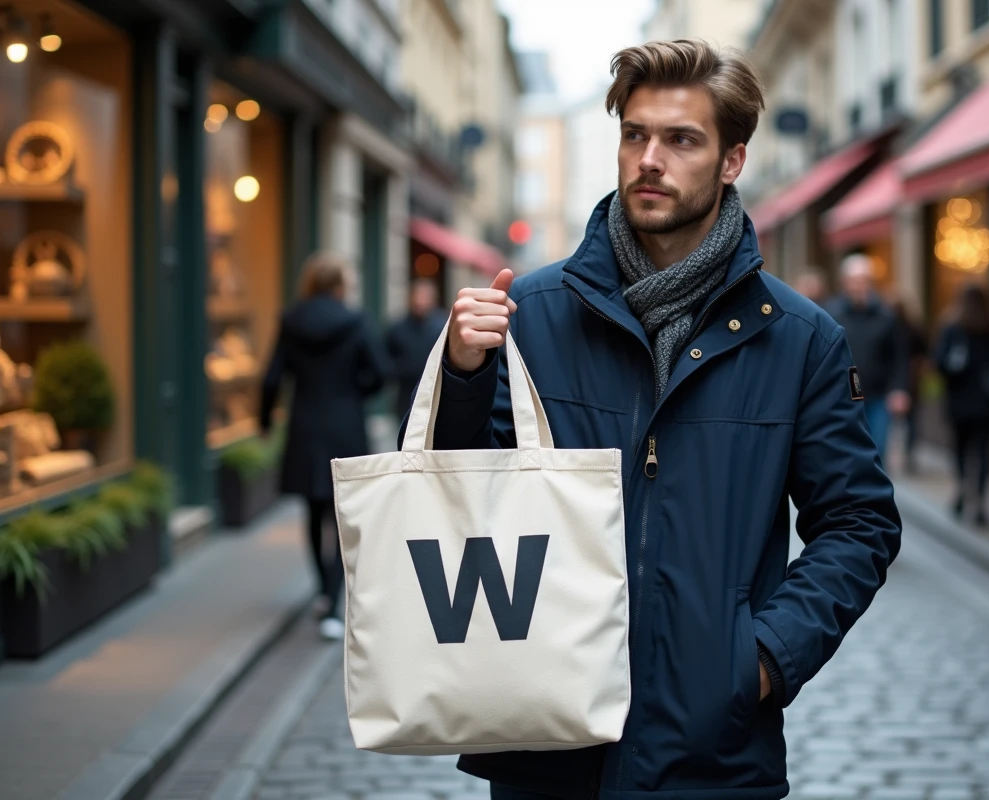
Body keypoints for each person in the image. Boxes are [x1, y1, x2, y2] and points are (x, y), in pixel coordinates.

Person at [399, 40, 902, 799]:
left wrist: (761, 659)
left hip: (713, 756)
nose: (650, 159)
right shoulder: (532, 316)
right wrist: (465, 379)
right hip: (551, 749)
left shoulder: (799, 340)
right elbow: (461, 500)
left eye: (681, 139)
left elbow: (859, 522)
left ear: (732, 160)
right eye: (635, 134)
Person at [260, 252, 388, 640]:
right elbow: (379, 373)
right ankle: (332, 605)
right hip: (345, 424)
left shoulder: (290, 320)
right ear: (339, 285)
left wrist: (264, 420)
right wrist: (355, 393)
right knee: (343, 515)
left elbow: (271, 378)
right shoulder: (356, 322)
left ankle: (322, 592)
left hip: (305, 424)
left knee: (314, 513)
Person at [933, 282, 989, 527]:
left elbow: (938, 363)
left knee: (961, 448)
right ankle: (979, 499)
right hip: (987, 403)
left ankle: (963, 486)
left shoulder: (952, 328)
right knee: (983, 452)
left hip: (960, 401)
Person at [825, 254, 910, 464]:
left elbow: (900, 356)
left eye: (864, 280)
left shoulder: (886, 316)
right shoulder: (831, 314)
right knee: (846, 452)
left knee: (877, 449)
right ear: (844, 283)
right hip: (842, 396)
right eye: (854, 281)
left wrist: (899, 389)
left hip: (878, 395)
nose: (859, 286)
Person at [386, 277, 449, 417]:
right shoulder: (397, 328)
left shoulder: (443, 326)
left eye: (425, 296)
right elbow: (388, 358)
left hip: (435, 391)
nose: (421, 301)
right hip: (406, 394)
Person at [892, 293, 928, 475]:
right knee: (911, 421)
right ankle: (907, 453)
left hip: (905, 380)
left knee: (900, 422)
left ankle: (902, 454)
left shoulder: (904, 329)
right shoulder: (912, 328)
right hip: (911, 380)